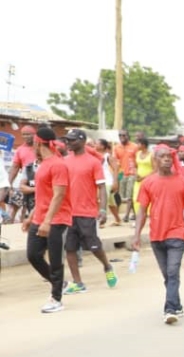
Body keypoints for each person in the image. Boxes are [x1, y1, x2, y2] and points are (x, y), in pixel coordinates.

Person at [132, 145, 184, 324]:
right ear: (156, 160)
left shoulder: (182, 182)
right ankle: (177, 304)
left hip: (177, 233)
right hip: (156, 235)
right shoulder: (148, 183)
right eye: (162, 157)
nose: (167, 159)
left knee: (173, 271)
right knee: (167, 275)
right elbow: (142, 211)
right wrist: (136, 235)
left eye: (169, 156)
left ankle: (169, 309)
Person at [22, 126, 72, 314]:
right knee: (33, 255)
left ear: (38, 142)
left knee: (55, 258)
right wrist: (31, 216)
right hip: (41, 217)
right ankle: (60, 283)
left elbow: (59, 195)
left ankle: (56, 298)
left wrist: (47, 221)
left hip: (56, 218)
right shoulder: (43, 164)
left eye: (33, 142)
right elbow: (43, 195)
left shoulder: (58, 165)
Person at [62, 129, 118, 293]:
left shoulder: (93, 162)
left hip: (87, 211)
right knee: (70, 248)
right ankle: (78, 282)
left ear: (82, 141)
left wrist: (102, 209)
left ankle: (107, 266)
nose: (69, 143)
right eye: (68, 140)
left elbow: (101, 187)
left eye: (72, 140)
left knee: (94, 246)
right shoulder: (64, 161)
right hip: (68, 212)